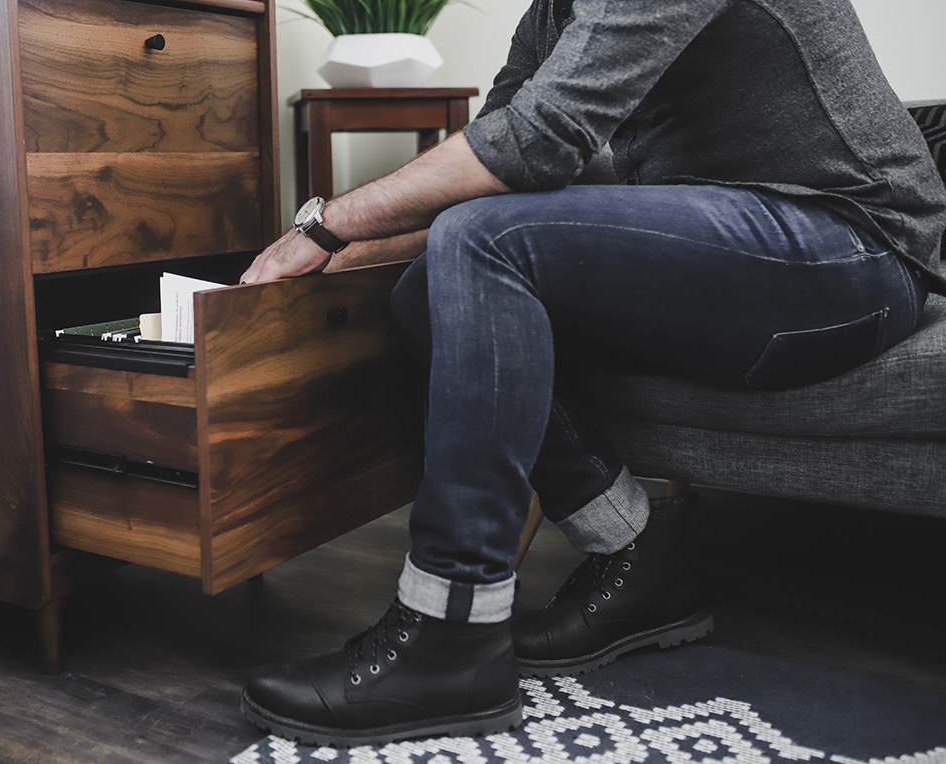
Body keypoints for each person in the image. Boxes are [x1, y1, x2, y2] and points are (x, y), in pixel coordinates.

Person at [237, 0, 946, 748]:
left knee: (484, 242)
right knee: (426, 285)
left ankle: (452, 631)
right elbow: (498, 162)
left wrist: (326, 224)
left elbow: (532, 145)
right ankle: (637, 554)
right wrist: (329, 258)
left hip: (858, 251)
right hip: (756, 251)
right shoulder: (554, 11)